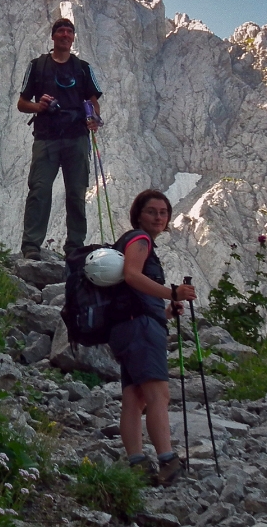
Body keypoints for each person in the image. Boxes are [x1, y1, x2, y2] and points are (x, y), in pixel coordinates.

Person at [108, 189, 196, 486]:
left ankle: (136, 463)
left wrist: (167, 311)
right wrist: (172, 292)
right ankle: (167, 460)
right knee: (158, 395)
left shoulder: (131, 242)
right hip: (141, 329)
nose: (159, 217)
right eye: (152, 212)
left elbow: (130, 290)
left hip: (126, 328)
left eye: (163, 212)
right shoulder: (140, 240)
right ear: (139, 215)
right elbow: (133, 275)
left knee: (135, 396)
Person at [17, 18, 102, 260]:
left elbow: (94, 101)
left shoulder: (83, 68)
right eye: (61, 31)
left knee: (76, 192)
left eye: (69, 31)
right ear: (53, 36)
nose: (65, 35)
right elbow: (22, 103)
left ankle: (74, 247)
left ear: (73, 37)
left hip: (76, 137)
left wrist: (94, 117)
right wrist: (39, 107)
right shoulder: (37, 66)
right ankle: (31, 245)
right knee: (39, 189)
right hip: (46, 137)